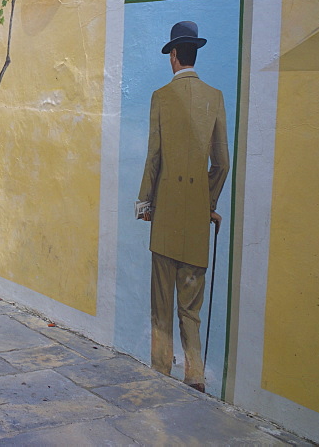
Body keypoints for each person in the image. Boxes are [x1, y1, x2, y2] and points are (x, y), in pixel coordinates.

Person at [137, 20, 229, 393]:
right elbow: (222, 163)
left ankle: (161, 373)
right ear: (194, 54)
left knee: (161, 307)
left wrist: (145, 204)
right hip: (195, 223)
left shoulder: (161, 97)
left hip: (165, 221)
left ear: (174, 55)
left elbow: (153, 158)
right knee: (190, 310)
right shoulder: (216, 97)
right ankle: (195, 376)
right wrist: (207, 203)